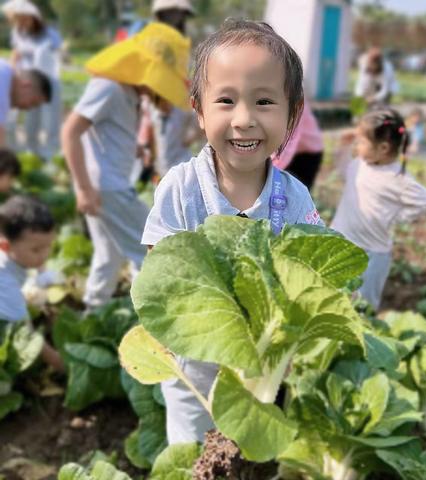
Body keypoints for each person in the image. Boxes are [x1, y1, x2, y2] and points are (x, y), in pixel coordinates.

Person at [141, 19, 324, 445]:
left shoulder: (294, 197)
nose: (244, 120)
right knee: (193, 453)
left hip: (267, 369)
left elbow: (319, 271)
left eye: (264, 102)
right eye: (225, 100)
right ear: (198, 109)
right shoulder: (181, 188)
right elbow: (159, 266)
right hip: (196, 365)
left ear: (292, 112)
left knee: (255, 454)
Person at [61, 23, 190, 310]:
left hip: (106, 184)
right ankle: (151, 320)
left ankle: (94, 313)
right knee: (151, 250)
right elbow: (70, 131)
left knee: (108, 255)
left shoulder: (128, 92)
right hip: (105, 187)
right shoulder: (108, 87)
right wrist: (83, 188)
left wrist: (132, 148)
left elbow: (106, 134)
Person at [331, 108, 426, 310]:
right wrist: (343, 148)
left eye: (361, 142)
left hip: (372, 253)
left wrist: (397, 216)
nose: (357, 145)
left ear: (383, 148)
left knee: (363, 305)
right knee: (334, 294)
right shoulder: (358, 164)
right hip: (341, 239)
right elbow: (344, 172)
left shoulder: (398, 178)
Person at [134, 0, 201, 182]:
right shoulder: (156, 41)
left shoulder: (182, 43)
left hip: (179, 101)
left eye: (178, 13)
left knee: (173, 151)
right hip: (162, 101)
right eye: (171, 12)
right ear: (161, 15)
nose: (175, 17)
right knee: (162, 153)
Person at [0, 195, 63, 371]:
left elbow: (39, 260)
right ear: (6, 246)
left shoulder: (13, 250)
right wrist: (58, 362)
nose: (44, 255)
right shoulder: (6, 283)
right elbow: (27, 332)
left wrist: (43, 272)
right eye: (36, 250)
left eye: (49, 246)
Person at [7, 0, 63, 160]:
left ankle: (51, 155)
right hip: (27, 82)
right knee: (30, 120)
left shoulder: (50, 33)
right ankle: (31, 153)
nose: (22, 23)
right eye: (19, 19)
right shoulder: (18, 32)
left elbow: (58, 55)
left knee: (51, 121)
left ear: (35, 18)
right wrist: (12, 74)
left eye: (25, 19)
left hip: (49, 81)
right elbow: (15, 54)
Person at [272, 101, 323, 190]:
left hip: (307, 154)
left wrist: (269, 170)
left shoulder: (295, 99)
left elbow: (290, 140)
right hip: (285, 151)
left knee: (297, 193)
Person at [0, 58, 51, 148]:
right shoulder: (3, 85)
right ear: (26, 85)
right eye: (33, 102)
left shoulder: (5, 70)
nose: (28, 108)